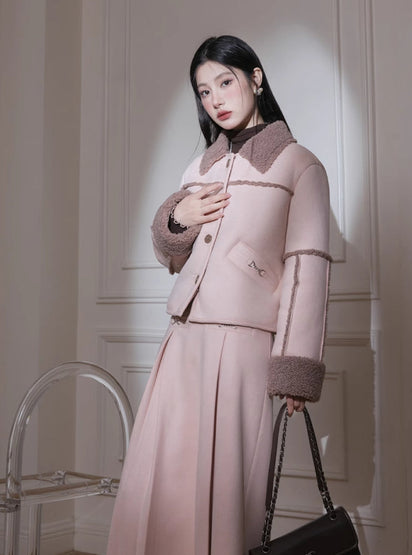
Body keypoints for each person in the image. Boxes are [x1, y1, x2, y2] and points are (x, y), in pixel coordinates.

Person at [106, 35, 331, 555]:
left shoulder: (299, 165)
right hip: (182, 342)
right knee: (162, 483)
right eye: (204, 92)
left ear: (255, 78)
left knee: (227, 491)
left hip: (244, 349)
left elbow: (308, 267)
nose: (215, 100)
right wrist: (175, 218)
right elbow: (173, 258)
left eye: (225, 83)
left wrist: (295, 366)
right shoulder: (199, 168)